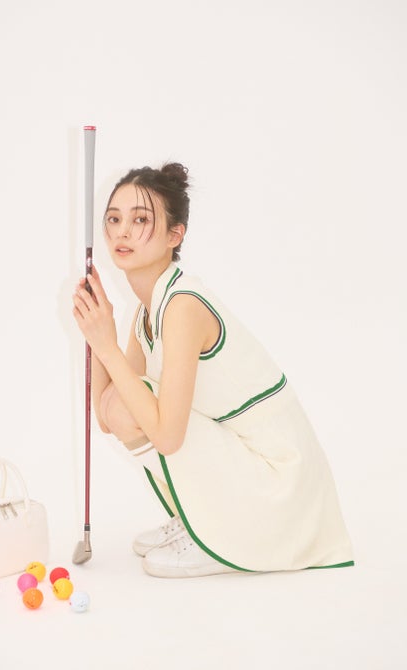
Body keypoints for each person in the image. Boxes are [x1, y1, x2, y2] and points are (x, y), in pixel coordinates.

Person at [72, 162, 354, 578]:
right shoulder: (148, 310)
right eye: (114, 219)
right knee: (125, 403)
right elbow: (108, 415)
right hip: (252, 473)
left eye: (140, 219)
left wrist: (107, 346)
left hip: (281, 491)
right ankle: (201, 517)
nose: (122, 231)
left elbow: (167, 438)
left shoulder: (182, 306)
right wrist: (100, 333)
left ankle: (220, 534)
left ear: (175, 235)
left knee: (144, 409)